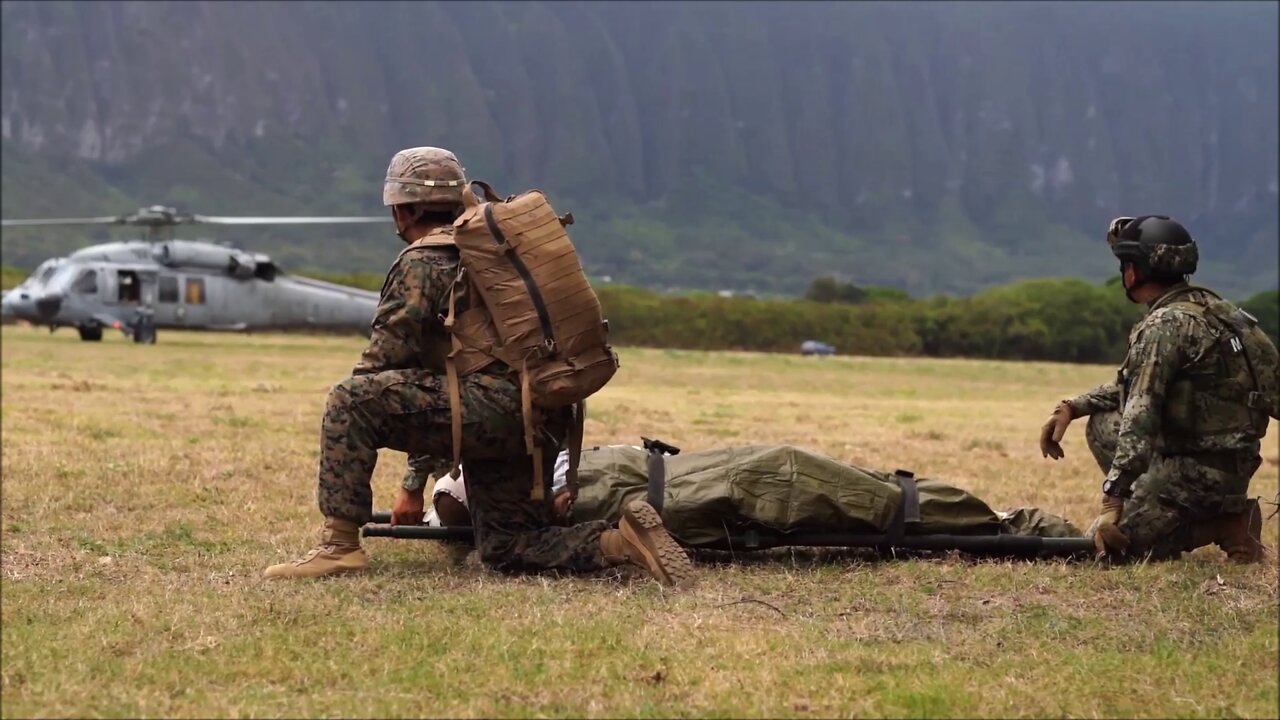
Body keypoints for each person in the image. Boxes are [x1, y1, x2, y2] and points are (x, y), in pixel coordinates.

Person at [264, 147, 694, 587]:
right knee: (509, 546)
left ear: (404, 210)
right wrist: (416, 477)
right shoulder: (497, 253)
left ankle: (339, 546)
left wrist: (413, 484)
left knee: (350, 401)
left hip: (486, 410)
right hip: (540, 414)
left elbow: (387, 365)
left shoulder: (421, 262)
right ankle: (621, 542)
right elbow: (444, 380)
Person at [1039, 215, 1278, 562]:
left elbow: (1141, 414)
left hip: (1199, 472)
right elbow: (1133, 384)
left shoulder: (1166, 324)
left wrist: (1113, 501)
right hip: (1225, 460)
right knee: (1102, 422)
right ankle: (1162, 506)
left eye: (1125, 264)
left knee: (1107, 549)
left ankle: (1226, 524)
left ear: (1135, 271)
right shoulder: (1215, 309)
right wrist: (1074, 406)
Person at [412, 444, 1085, 543]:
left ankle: (1004, 519)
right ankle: (1022, 526)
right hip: (733, 484)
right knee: (873, 502)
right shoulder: (520, 504)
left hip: (714, 472)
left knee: (875, 490)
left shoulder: (539, 462)